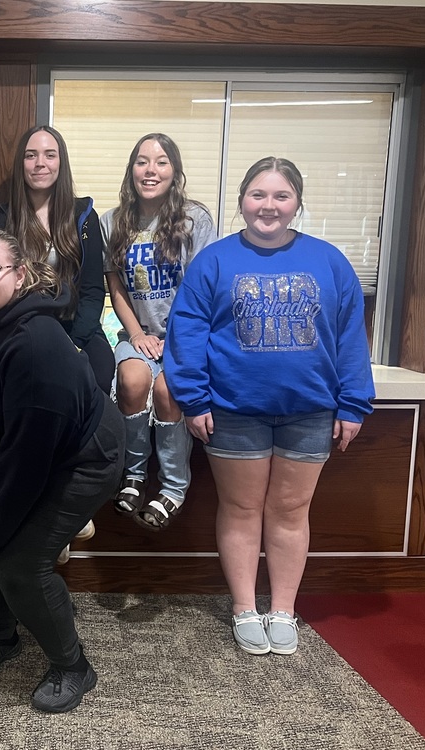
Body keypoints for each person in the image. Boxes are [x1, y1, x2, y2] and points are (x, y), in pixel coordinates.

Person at [164, 157, 375, 656]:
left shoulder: (330, 261)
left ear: (297, 202)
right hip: (233, 408)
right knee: (240, 510)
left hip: (311, 409)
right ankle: (244, 608)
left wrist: (353, 405)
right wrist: (193, 399)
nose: (269, 206)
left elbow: (350, 337)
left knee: (290, 511)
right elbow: (186, 333)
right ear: (242, 200)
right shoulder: (213, 261)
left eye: (281, 196)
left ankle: (283, 608)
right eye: (258, 194)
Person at [0, 229, 124, 713]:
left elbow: (28, 459)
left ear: (19, 276)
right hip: (1, 450)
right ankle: (2, 635)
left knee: (16, 563)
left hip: (77, 457)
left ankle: (72, 665)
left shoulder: (35, 347)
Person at [101, 133, 217, 530]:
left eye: (162, 161)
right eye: (142, 161)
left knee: (169, 391)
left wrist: (177, 340)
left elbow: (200, 288)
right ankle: (134, 476)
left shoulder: (195, 219)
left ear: (175, 171)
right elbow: (116, 286)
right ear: (131, 169)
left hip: (185, 337)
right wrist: (135, 335)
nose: (151, 170)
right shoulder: (112, 221)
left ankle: (173, 487)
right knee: (131, 379)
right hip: (138, 335)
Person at [0, 125, 112, 392]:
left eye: (49, 155)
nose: (40, 163)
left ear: (61, 162)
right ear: (21, 163)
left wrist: (74, 343)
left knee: (100, 369)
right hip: (20, 329)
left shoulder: (84, 215)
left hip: (74, 326)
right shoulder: (1, 219)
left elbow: (92, 290)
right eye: (31, 155)